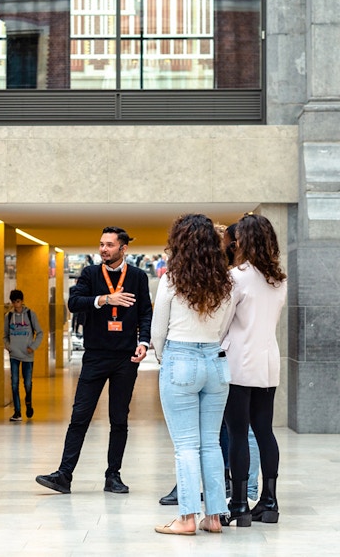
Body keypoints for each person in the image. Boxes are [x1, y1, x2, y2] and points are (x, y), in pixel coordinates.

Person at [36, 226, 152, 494]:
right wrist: (104, 299)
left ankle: (113, 476)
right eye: (101, 244)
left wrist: (144, 342)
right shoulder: (89, 273)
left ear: (123, 249)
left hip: (125, 358)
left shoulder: (137, 277)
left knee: (119, 419)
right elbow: (74, 303)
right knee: (80, 416)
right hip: (95, 356)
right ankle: (64, 475)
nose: (103, 249)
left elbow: (145, 312)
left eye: (109, 245)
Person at [153, 214, 233, 536]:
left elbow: (158, 330)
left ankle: (186, 518)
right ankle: (214, 517)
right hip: (215, 360)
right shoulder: (226, 281)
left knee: (186, 445)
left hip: (180, 357)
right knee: (211, 444)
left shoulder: (171, 279)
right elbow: (225, 327)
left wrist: (165, 357)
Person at [221, 213, 287, 527]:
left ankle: (238, 504)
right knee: (264, 431)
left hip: (238, 363)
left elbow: (223, 322)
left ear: (243, 241)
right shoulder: (279, 279)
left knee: (237, 434)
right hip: (268, 362)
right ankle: (270, 501)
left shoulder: (237, 277)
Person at [4, 289, 43, 421]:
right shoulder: (8, 317)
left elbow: (40, 333)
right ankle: (17, 412)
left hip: (27, 355)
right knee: (14, 383)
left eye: (18, 301)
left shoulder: (31, 315)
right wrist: (9, 347)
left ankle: (28, 403)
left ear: (22, 301)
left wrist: (33, 347)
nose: (16, 304)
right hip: (14, 355)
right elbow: (5, 336)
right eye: (14, 302)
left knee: (27, 383)